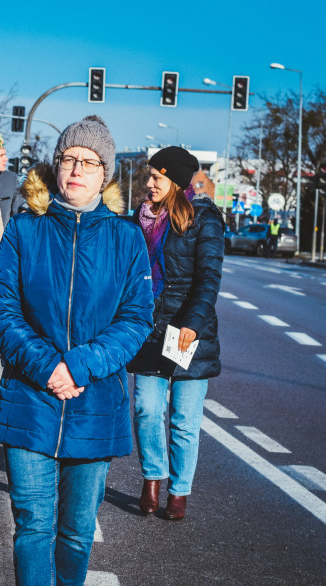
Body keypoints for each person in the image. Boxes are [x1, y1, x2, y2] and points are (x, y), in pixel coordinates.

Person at [0, 115, 153, 586]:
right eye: (68, 159)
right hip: (31, 398)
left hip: (93, 399)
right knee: (33, 520)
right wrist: (47, 365)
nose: (76, 170)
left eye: (88, 162)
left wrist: (79, 364)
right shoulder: (25, 229)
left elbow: (137, 320)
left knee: (77, 528)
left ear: (105, 172)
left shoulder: (125, 238)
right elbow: (3, 308)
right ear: (54, 166)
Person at [129, 146, 223, 521]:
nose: (149, 183)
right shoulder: (138, 220)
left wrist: (192, 323)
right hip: (150, 331)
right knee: (146, 409)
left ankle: (179, 491)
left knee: (184, 420)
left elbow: (208, 280)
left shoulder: (204, 219)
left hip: (187, 334)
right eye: (149, 176)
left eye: (156, 177)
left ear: (175, 182)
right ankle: (153, 476)